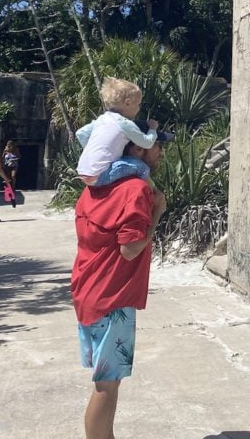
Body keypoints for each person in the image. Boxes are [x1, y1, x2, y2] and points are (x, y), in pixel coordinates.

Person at [71, 129, 170, 439]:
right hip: (113, 297)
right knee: (107, 387)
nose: (162, 153)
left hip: (88, 290)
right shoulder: (135, 189)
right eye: (158, 146)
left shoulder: (96, 186)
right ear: (139, 149)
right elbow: (130, 248)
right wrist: (157, 214)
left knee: (106, 382)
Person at [75, 77, 159, 187]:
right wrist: (153, 129)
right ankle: (152, 192)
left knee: (127, 161)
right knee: (141, 167)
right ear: (127, 103)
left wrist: (97, 154)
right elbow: (147, 143)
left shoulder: (102, 119)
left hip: (83, 172)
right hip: (100, 175)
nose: (139, 108)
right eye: (138, 104)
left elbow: (81, 133)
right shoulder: (124, 123)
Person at [2, 141, 19, 208]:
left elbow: (19, 157)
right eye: (8, 146)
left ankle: (13, 187)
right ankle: (9, 190)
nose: (9, 147)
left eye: (10, 146)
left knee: (13, 176)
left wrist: (13, 159)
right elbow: (2, 158)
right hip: (7, 166)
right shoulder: (5, 150)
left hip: (14, 165)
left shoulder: (16, 150)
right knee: (7, 179)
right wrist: (4, 152)